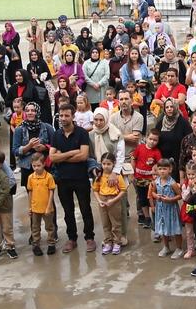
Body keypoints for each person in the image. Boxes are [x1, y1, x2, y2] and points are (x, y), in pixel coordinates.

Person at [48, 105, 94, 252]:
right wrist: (71, 153)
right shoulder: (56, 135)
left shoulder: (82, 133)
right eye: (61, 116)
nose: (63, 118)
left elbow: (84, 156)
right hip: (63, 179)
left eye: (66, 115)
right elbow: (51, 157)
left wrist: (61, 156)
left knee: (85, 208)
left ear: (73, 116)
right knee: (68, 211)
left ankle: (89, 238)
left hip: (80, 178)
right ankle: (72, 238)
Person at [93, 153, 128, 255]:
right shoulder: (99, 176)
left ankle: (117, 242)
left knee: (116, 223)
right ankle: (108, 242)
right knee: (105, 223)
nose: (106, 166)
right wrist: (99, 201)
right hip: (102, 200)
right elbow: (95, 190)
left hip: (114, 200)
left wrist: (113, 200)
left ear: (114, 164)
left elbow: (123, 190)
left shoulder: (117, 176)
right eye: (104, 164)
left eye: (108, 164)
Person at [26, 152, 58, 255]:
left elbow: (51, 191)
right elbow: (30, 192)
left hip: (47, 208)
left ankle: (51, 244)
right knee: (35, 228)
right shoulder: (31, 177)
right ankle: (36, 245)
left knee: (50, 227)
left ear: (44, 164)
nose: (36, 168)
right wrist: (30, 207)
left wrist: (49, 207)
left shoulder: (49, 177)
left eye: (38, 165)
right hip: (35, 208)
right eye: (34, 166)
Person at [151, 158, 183, 257]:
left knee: (176, 229)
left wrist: (170, 199)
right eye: (160, 169)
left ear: (170, 169)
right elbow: (153, 192)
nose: (162, 171)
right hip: (161, 209)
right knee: (163, 228)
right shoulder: (156, 182)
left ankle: (179, 248)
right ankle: (166, 247)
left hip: (171, 209)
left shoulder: (172, 183)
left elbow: (180, 195)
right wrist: (156, 196)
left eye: (164, 169)